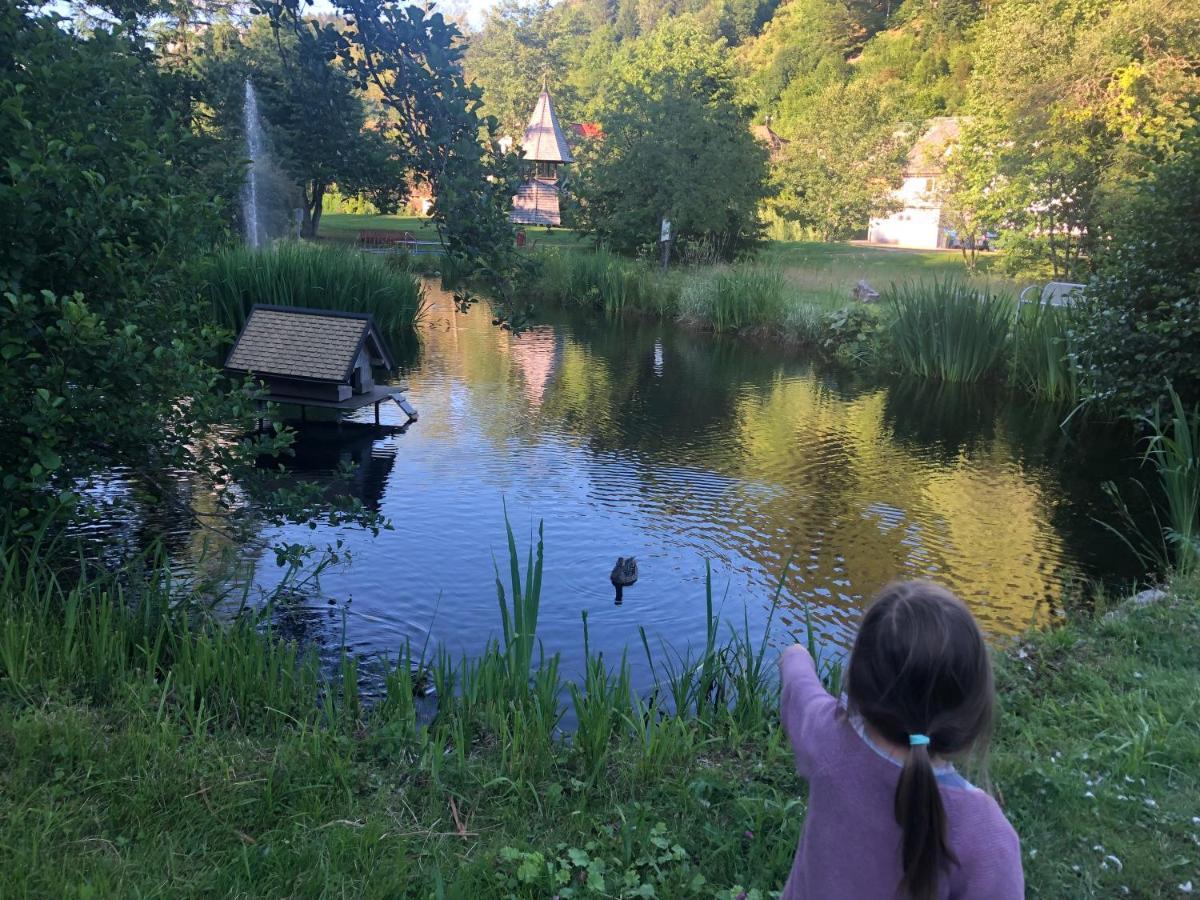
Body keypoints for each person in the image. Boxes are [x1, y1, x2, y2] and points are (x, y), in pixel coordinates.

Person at [779, 581, 1024, 899]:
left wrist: (795, 654)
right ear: (972, 713)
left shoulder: (828, 738)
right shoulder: (986, 835)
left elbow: (799, 685)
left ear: (859, 684)